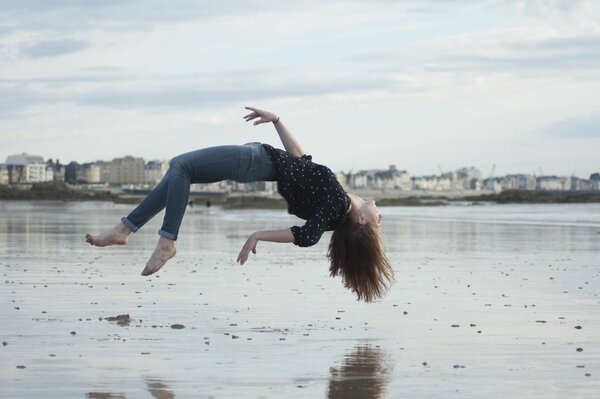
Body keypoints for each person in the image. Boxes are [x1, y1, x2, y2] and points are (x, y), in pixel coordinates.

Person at [86, 107, 394, 302]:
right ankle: (124, 229)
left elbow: (307, 235)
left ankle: (166, 242)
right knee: (178, 173)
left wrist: (258, 234)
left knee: (181, 166)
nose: (380, 213)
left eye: (378, 219)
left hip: (255, 161)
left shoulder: (336, 207)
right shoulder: (335, 206)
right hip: (257, 158)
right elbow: (301, 160)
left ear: (363, 221)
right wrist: (278, 121)